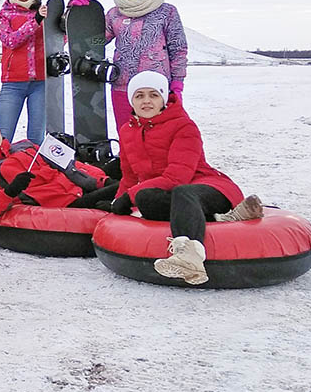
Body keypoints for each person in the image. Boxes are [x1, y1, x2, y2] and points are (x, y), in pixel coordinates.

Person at [110, 71, 263, 285]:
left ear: (163, 99)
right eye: (139, 96)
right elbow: (129, 176)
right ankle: (224, 219)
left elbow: (177, 177)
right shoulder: (127, 131)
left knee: (182, 192)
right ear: (131, 101)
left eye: (153, 95)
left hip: (208, 187)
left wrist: (129, 196)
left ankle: (190, 257)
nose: (146, 101)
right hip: (172, 193)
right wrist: (118, 202)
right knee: (145, 198)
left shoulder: (183, 126)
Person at [0, 116, 117, 229]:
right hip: (62, 205)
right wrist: (9, 192)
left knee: (119, 166)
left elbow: (69, 166)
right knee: (123, 190)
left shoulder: (25, 146)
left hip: (78, 188)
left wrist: (102, 181)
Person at [102, 0, 189, 129]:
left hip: (156, 88)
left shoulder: (166, 11)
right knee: (128, 136)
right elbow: (95, 41)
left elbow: (178, 49)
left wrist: (177, 83)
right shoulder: (115, 14)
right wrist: (78, 14)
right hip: (123, 87)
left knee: (157, 138)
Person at [0, 0, 49, 145]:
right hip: (13, 84)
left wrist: (68, 16)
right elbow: (11, 41)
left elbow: (59, 40)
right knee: (3, 137)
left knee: (36, 138)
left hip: (41, 83)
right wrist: (35, 21)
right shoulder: (3, 15)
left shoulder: (44, 12)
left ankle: (34, 172)